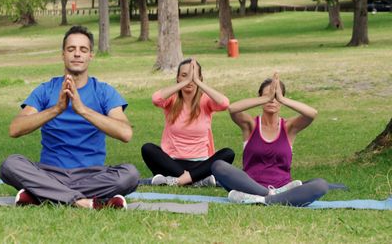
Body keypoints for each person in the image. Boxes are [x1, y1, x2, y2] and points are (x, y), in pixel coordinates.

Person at [0, 26, 139, 209]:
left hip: (92, 175)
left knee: (130, 174)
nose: (77, 54)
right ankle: (81, 201)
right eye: (71, 49)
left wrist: (82, 110)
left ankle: (45, 194)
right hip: (50, 173)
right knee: (10, 164)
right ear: (63, 54)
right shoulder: (46, 89)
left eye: (83, 49)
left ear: (91, 55)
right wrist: (56, 109)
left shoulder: (104, 91)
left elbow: (125, 133)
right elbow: (15, 129)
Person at [211, 73, 329, 206]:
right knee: (218, 166)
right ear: (260, 98)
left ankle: (262, 200)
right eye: (268, 96)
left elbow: (312, 114)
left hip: (284, 188)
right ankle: (271, 196)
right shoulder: (250, 125)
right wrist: (266, 98)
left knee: (321, 185)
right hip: (249, 186)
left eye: (275, 96)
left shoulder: (289, 127)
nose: (272, 100)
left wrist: (282, 99)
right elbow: (233, 109)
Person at [141, 58, 235, 187]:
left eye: (194, 75)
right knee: (147, 149)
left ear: (200, 78)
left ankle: (178, 180)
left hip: (200, 163)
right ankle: (197, 181)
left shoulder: (206, 100)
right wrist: (184, 82)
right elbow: (156, 99)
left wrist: (197, 82)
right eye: (184, 75)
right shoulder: (172, 99)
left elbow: (225, 103)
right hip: (173, 162)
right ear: (178, 78)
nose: (189, 79)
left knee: (228, 153)